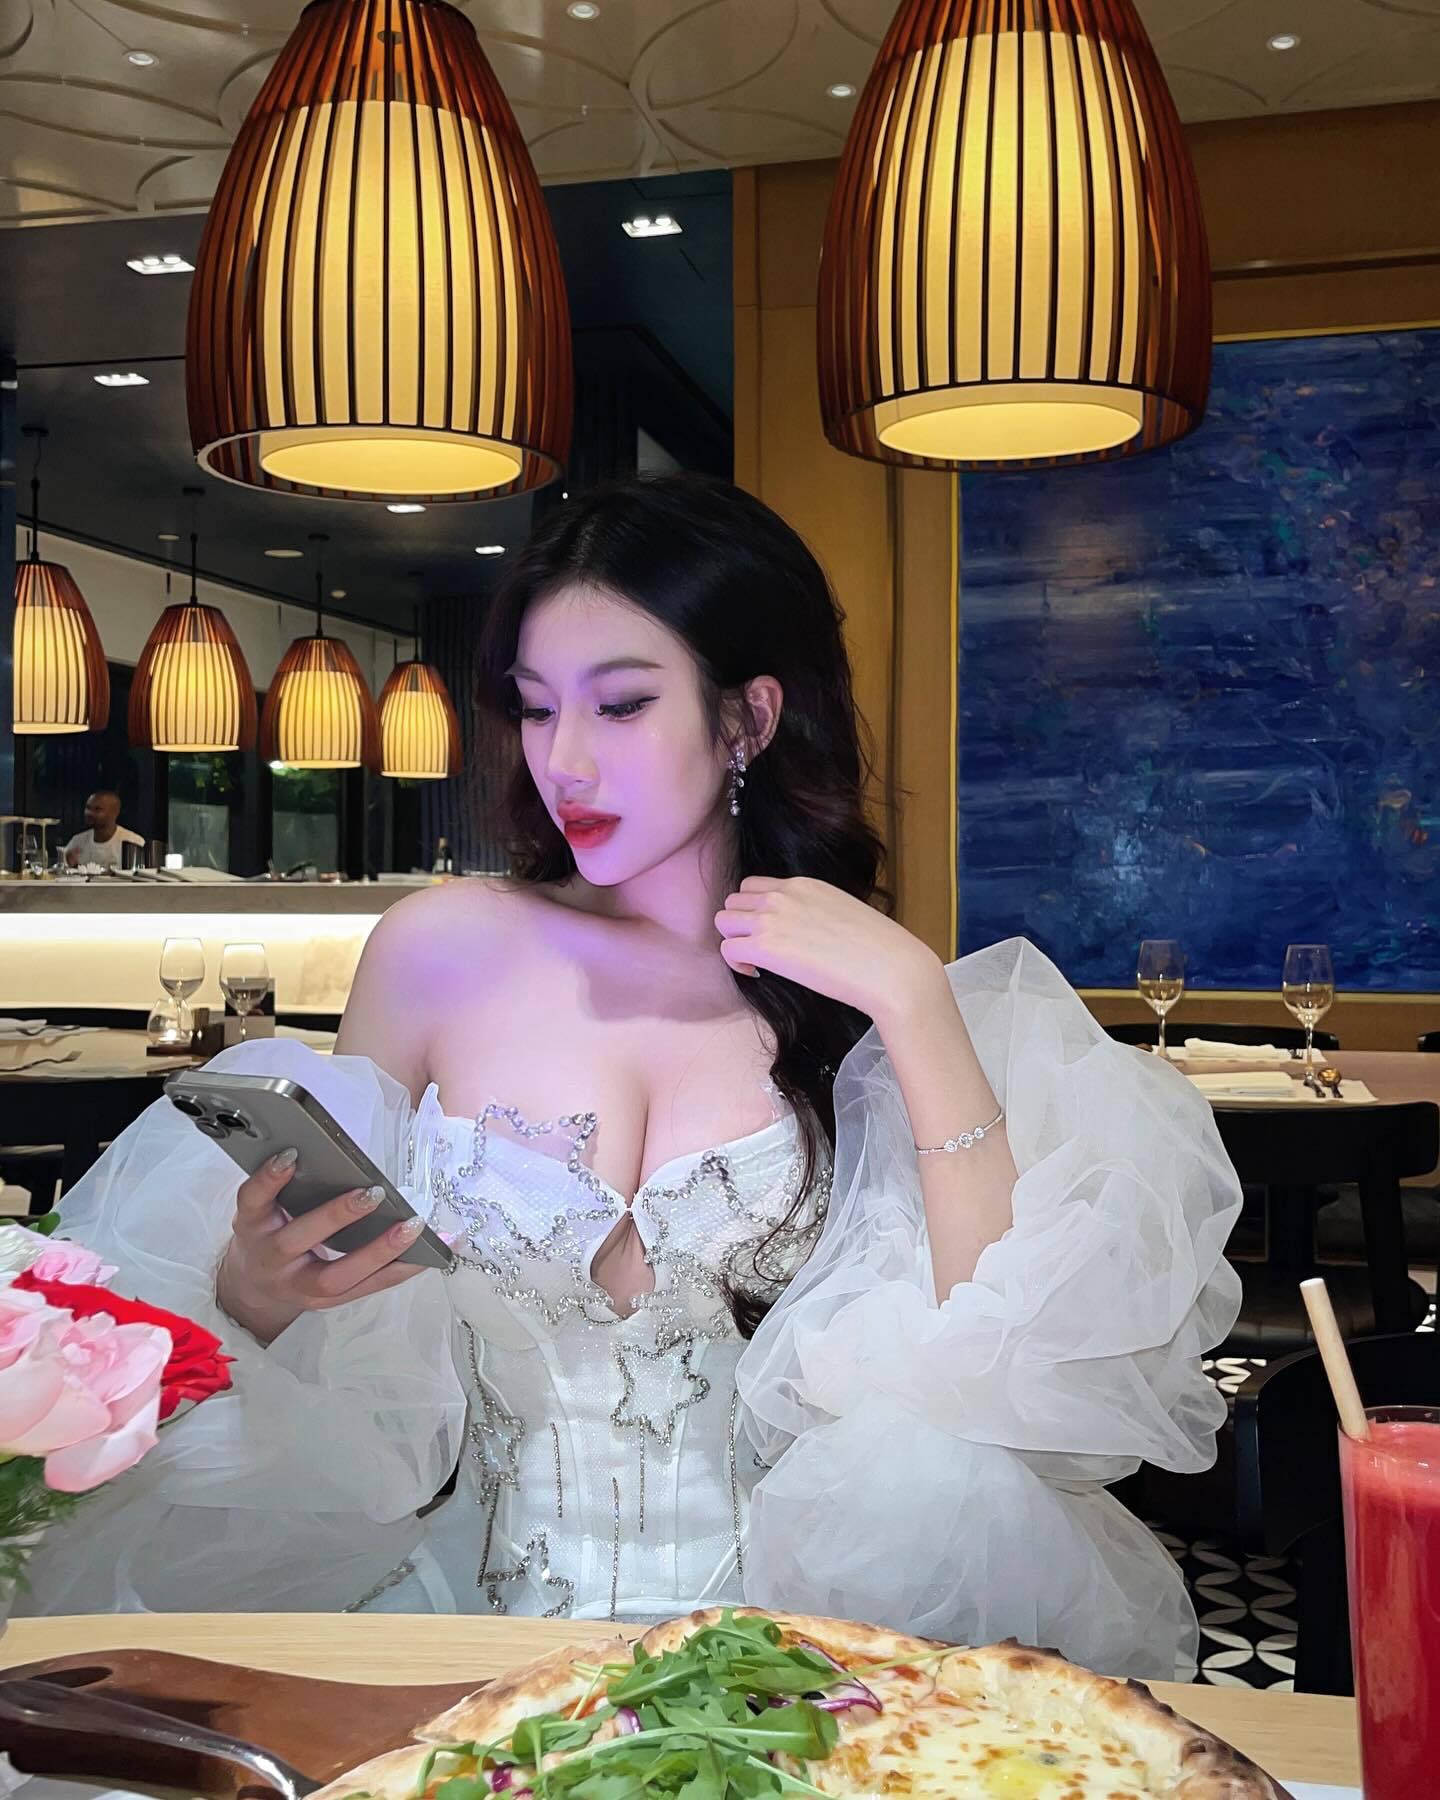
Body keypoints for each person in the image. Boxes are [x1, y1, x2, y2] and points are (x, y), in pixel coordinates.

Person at [24, 475, 1241, 1678]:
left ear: (747, 718)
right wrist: (261, 1292)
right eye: (535, 707)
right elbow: (368, 1379)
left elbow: (1009, 1376)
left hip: (798, 1654)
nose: (565, 761)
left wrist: (917, 1005)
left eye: (620, 705)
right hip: (463, 1640)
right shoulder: (438, 951)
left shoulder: (855, 988)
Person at [63, 790, 144, 870]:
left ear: (115, 812)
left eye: (97, 809)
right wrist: (68, 864)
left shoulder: (134, 842)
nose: (90, 813)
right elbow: (62, 871)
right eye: (88, 808)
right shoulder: (77, 841)